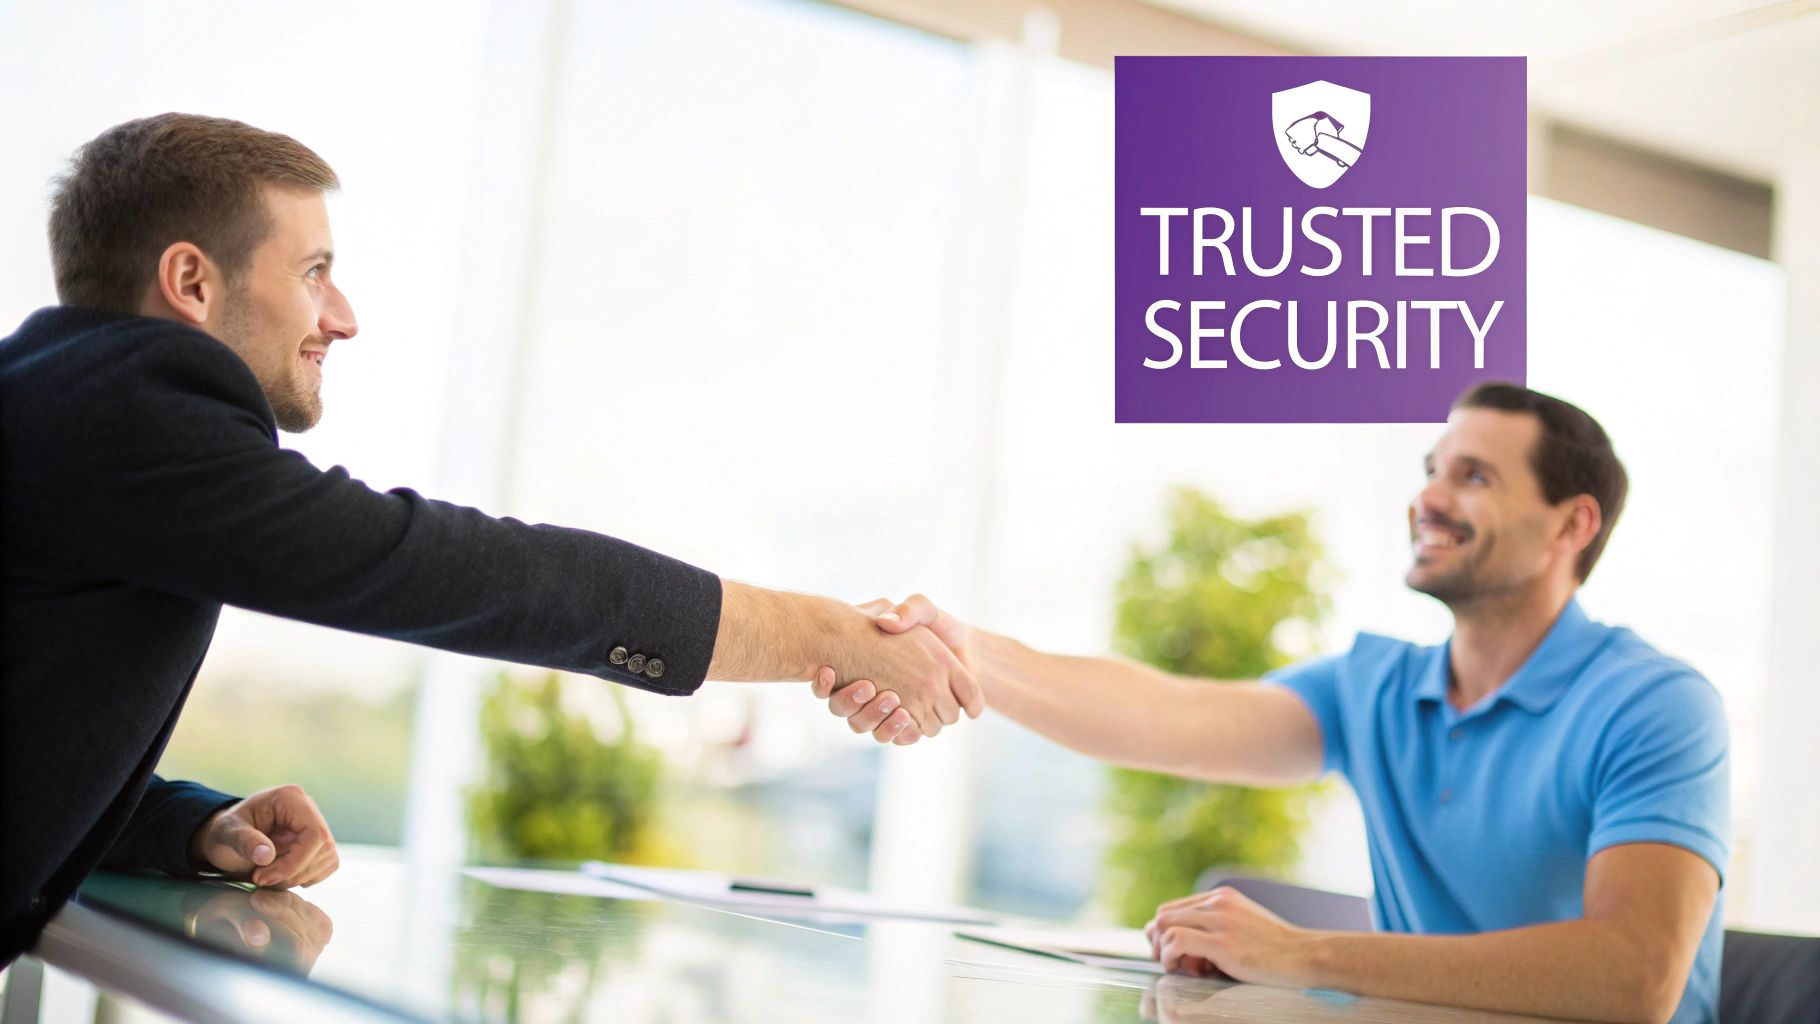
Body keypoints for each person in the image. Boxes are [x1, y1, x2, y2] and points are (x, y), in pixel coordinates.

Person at [0, 113, 978, 965]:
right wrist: (817, 633)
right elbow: (456, 571)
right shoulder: (127, 416)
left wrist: (192, 825)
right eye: (313, 272)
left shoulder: (59, 400)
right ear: (191, 281)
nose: (342, 317)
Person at [824, 383, 1729, 1024]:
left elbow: (1633, 979)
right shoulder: (1374, 688)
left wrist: (1301, 954)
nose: (1429, 497)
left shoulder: (1657, 707)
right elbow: (1166, 715)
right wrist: (969, 651)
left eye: (1475, 477)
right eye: (1431, 468)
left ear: (1573, 524)